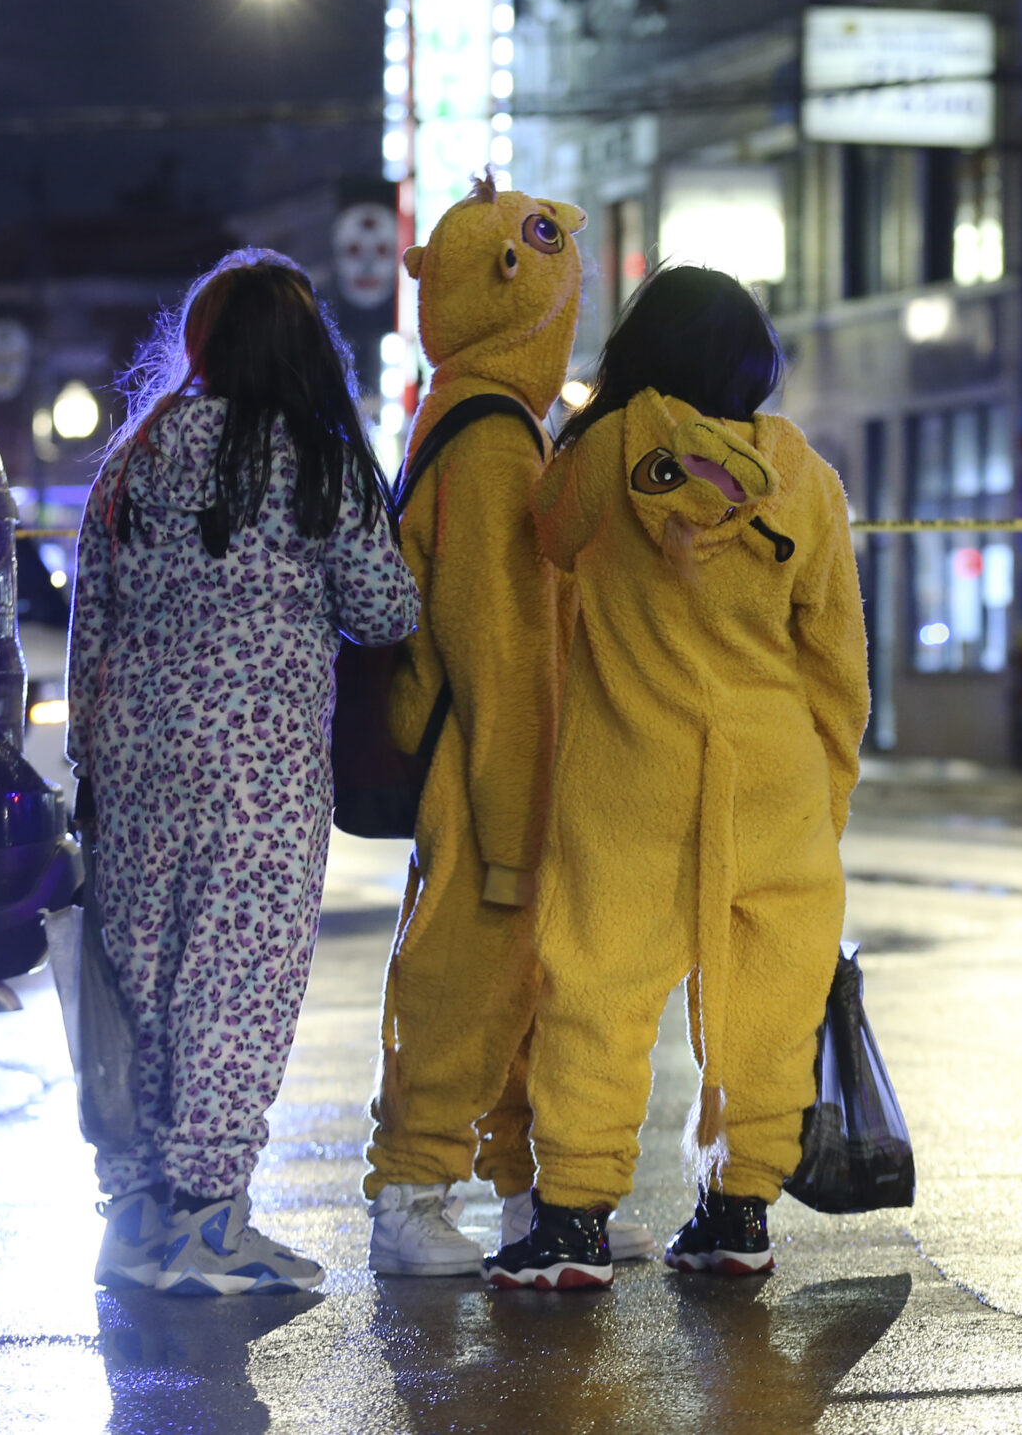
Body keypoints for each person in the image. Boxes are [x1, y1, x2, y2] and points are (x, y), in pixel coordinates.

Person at [484, 265, 869, 1291]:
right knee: (767, 1005)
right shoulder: (809, 482)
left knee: (598, 992)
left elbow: (546, 535)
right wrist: (826, 791)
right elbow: (835, 665)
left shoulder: (605, 454)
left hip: (630, 775)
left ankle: (570, 1221)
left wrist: (614, 422)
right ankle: (738, 1210)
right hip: (773, 776)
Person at [67, 248, 418, 1296]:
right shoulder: (310, 462)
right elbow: (387, 611)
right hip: (256, 778)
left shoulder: (135, 455)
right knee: (238, 984)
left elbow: (94, 621)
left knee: (140, 983)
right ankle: (206, 1223)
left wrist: (91, 748)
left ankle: (134, 1220)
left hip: (133, 764)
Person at [362, 177, 659, 1274]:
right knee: (465, 979)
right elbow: (502, 651)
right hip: (490, 771)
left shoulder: (480, 419)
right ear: (527, 292)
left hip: (495, 765)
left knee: (522, 985)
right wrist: (507, 822)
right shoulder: (489, 441)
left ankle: (527, 1194)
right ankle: (411, 1191)